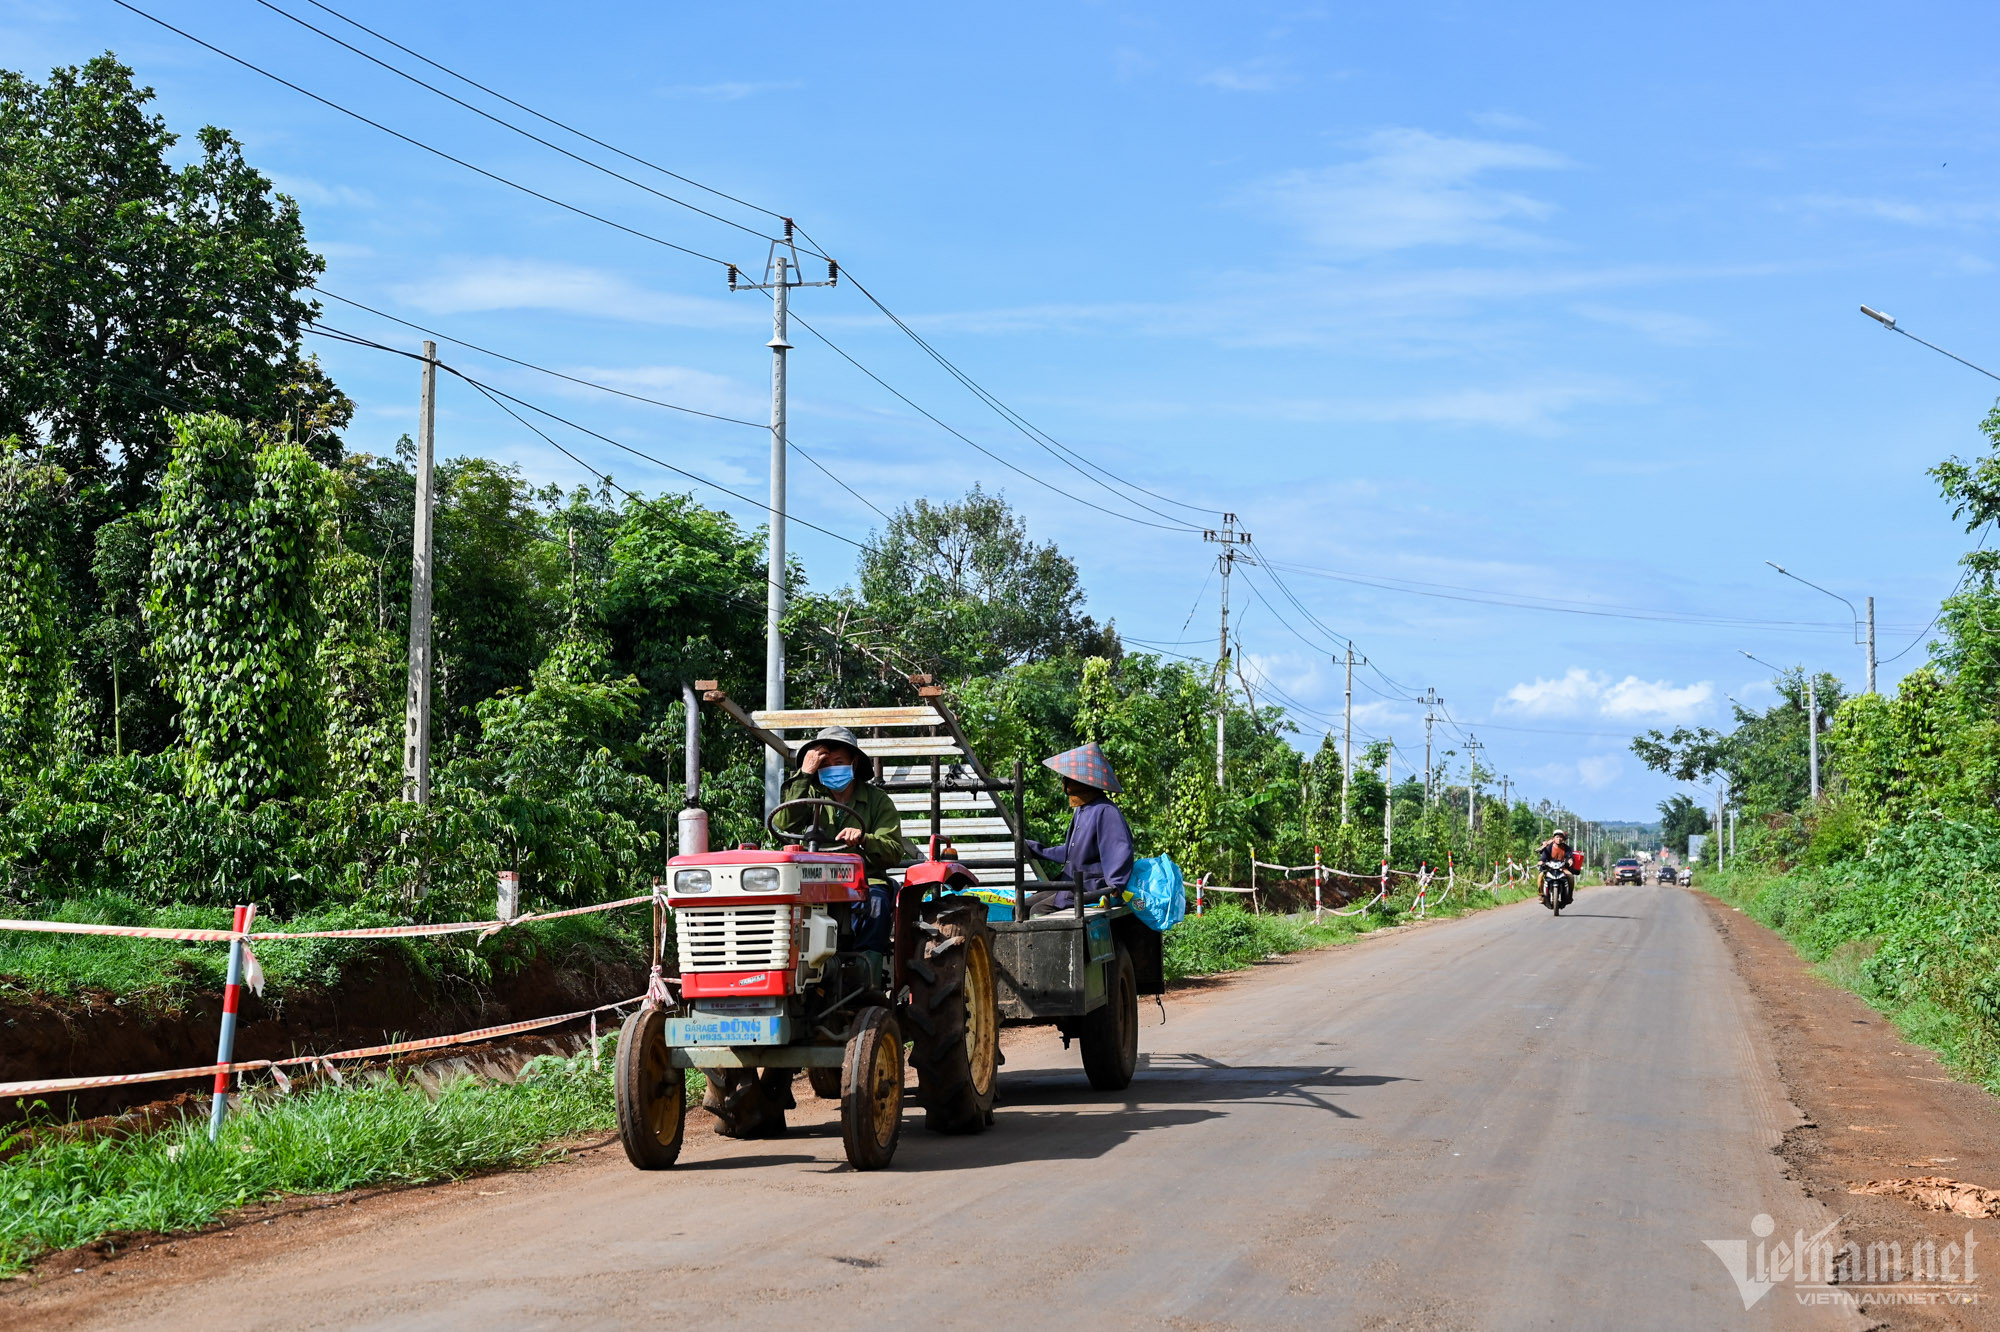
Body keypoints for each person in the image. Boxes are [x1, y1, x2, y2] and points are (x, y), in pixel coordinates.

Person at [772, 725, 913, 955]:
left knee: (876, 902)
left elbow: (894, 850)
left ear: (854, 764)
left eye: (838, 762)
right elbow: (785, 823)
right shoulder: (810, 796)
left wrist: (864, 840)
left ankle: (868, 970)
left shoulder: (878, 801)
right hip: (815, 882)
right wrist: (805, 774)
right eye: (825, 764)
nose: (832, 769)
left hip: (864, 882)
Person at [1024, 742, 1135, 915]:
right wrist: (1034, 849)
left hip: (1089, 886)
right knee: (1023, 906)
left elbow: (1119, 850)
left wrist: (1115, 885)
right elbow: (1069, 853)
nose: (1063, 784)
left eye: (1067, 779)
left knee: (1038, 911)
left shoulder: (1105, 810)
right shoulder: (1082, 810)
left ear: (1081, 781)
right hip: (1069, 883)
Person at [1537, 828, 1576, 909]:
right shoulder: (1548, 847)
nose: (1559, 839)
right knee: (1540, 876)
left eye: (1560, 837)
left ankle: (1569, 896)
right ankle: (1541, 895)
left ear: (1563, 839)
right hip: (1549, 868)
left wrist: (1570, 860)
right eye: (1557, 837)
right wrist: (1541, 861)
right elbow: (1543, 857)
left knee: (1571, 877)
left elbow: (1570, 856)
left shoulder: (1567, 848)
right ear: (1553, 838)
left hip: (1562, 868)